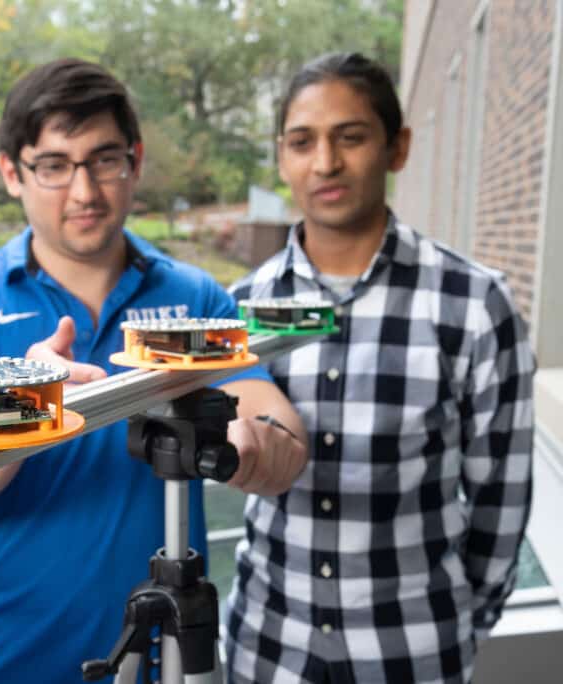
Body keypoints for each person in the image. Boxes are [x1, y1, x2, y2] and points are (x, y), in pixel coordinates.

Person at [0, 58, 308, 684]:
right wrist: (24, 400)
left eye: (104, 159)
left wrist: (264, 443)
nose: (85, 192)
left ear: (136, 160)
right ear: (11, 173)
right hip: (18, 657)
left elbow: (261, 401)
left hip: (171, 655)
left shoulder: (192, 293)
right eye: (53, 166)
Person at [226, 52, 535, 684]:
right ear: (282, 158)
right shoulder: (240, 311)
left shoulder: (474, 305)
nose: (326, 163)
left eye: (352, 137)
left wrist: (458, 621)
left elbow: (499, 499)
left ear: (398, 148)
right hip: (269, 644)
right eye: (301, 142)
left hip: (414, 650)